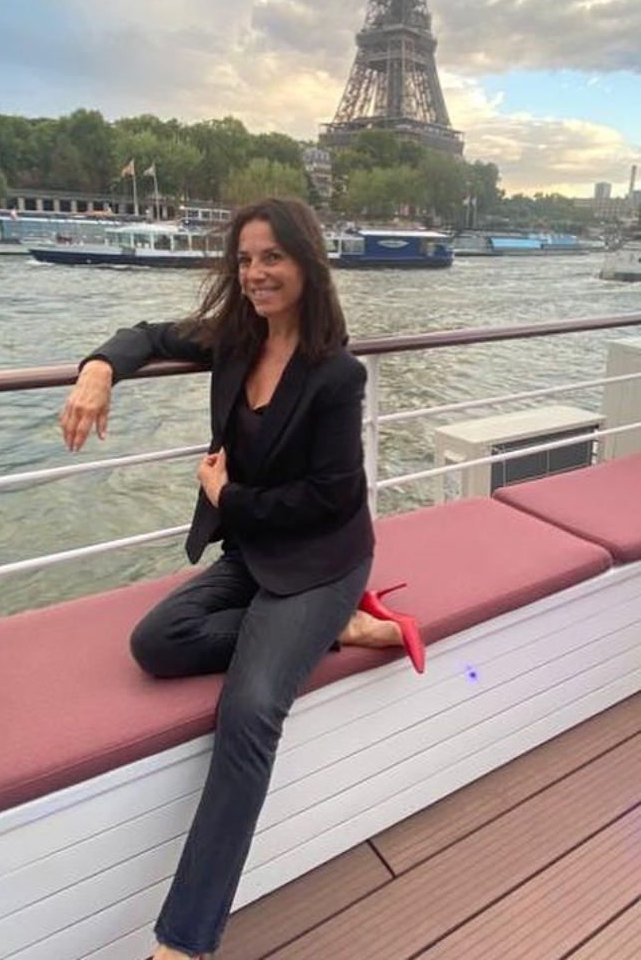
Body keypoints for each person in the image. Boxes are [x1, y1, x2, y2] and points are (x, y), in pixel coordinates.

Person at [59, 197, 410, 960]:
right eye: (245, 259)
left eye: (272, 257)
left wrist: (229, 499)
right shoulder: (233, 339)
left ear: (307, 263)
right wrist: (97, 371)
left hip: (321, 558)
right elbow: (147, 334)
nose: (255, 273)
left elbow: (332, 497)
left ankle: (183, 941)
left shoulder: (336, 374)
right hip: (253, 553)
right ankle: (333, 632)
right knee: (156, 642)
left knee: (250, 710)